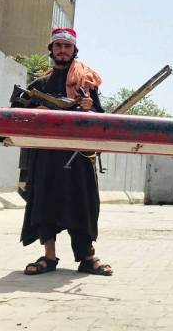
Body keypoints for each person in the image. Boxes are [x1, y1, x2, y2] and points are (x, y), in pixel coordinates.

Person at [15, 28, 113, 276]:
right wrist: (34, 109)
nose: (62, 50)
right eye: (58, 45)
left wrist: (89, 108)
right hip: (46, 157)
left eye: (67, 46)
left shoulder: (86, 85)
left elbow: (101, 120)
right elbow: (16, 116)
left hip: (78, 156)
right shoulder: (39, 84)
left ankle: (87, 258)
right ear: (51, 49)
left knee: (82, 205)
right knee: (45, 204)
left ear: (74, 50)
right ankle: (49, 257)